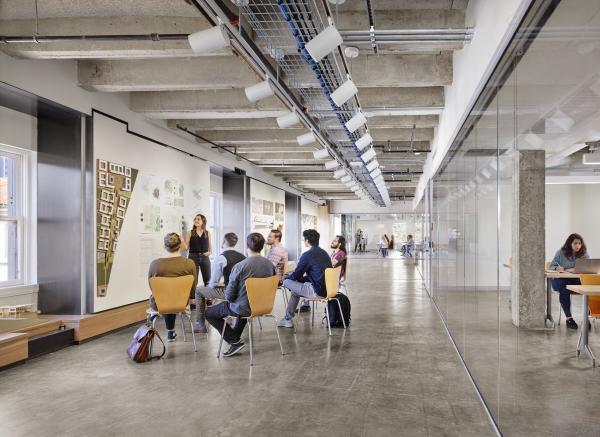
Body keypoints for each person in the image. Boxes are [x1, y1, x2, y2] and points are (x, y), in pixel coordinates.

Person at [205, 233, 276, 357]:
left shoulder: (240, 266)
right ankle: (235, 339)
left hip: (244, 308)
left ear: (247, 246)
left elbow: (229, 296)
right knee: (243, 305)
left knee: (209, 313)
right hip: (264, 306)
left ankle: (234, 340)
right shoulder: (270, 265)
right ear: (262, 246)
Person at [277, 229, 332, 328]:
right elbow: (315, 275)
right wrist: (298, 280)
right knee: (295, 291)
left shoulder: (307, 255)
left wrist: (286, 278)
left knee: (286, 282)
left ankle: (287, 319)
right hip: (330, 289)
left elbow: (296, 275)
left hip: (318, 291)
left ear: (306, 241)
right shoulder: (324, 253)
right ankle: (287, 319)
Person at [148, 233, 198, 342]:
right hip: (181, 302)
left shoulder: (155, 264)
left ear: (164, 246)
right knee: (173, 296)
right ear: (180, 245)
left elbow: (152, 287)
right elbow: (193, 286)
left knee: (163, 296)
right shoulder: (189, 263)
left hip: (160, 304)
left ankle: (158, 322)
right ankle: (170, 332)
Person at [193, 232, 245, 334]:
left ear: (224, 241)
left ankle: (200, 325)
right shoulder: (243, 257)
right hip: (243, 293)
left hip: (230, 292)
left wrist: (218, 284)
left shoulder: (222, 258)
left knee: (199, 290)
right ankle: (229, 319)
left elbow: (212, 284)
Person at [550, 233, 590, 330]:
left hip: (576, 280)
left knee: (589, 287)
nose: (578, 246)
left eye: (580, 243)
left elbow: (589, 267)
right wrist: (557, 268)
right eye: (575, 243)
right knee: (564, 288)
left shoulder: (584, 254)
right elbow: (551, 266)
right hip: (560, 280)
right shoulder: (560, 252)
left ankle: (586, 317)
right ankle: (569, 318)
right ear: (569, 244)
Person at [182, 214, 212, 286]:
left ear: (203, 221)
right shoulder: (190, 232)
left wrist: (209, 252)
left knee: (208, 280)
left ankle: (208, 296)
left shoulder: (207, 233)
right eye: (195, 219)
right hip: (193, 257)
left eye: (198, 219)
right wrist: (182, 241)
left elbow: (210, 248)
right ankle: (193, 297)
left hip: (205, 257)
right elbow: (186, 248)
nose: (196, 220)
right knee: (194, 281)